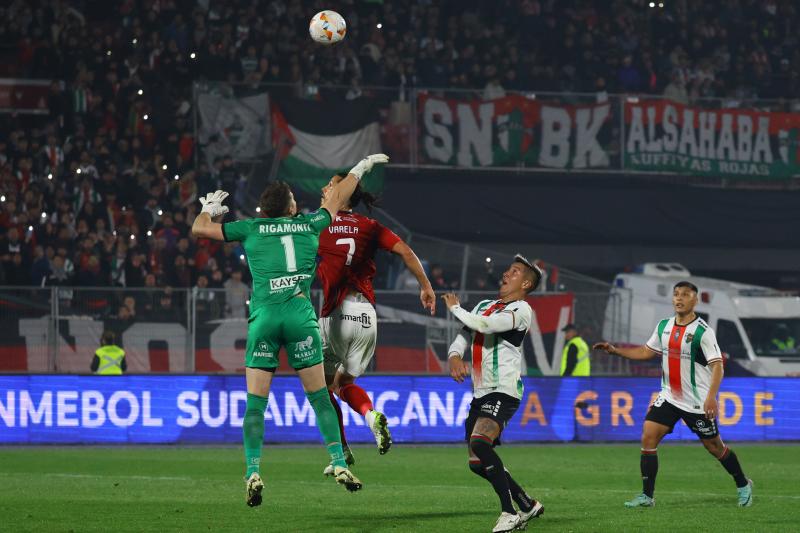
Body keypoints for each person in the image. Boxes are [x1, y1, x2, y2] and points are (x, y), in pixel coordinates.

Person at [191, 153, 389, 507]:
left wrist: (209, 208)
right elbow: (338, 197)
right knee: (319, 398)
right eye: (295, 200)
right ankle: (339, 461)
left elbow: (200, 229)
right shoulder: (310, 224)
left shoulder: (250, 227)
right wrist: (360, 168)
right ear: (289, 207)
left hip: (265, 318)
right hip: (300, 317)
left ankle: (253, 469)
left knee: (256, 405)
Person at [594, 281, 753, 508]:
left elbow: (717, 366)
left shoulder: (703, 332)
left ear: (695, 300)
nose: (679, 298)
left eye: (685, 295)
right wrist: (615, 350)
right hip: (669, 397)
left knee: (714, 447)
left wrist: (711, 397)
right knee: (648, 435)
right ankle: (647, 497)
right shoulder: (663, 326)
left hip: (696, 403)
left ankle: (743, 484)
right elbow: (645, 351)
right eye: (676, 294)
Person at [316, 173, 436, 473]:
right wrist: (425, 286)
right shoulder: (370, 226)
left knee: (320, 387)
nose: (324, 189)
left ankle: (340, 453)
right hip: (367, 316)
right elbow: (406, 252)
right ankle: (370, 417)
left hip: (336, 315)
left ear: (341, 193)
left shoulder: (319, 224)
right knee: (344, 383)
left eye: (330, 185)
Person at [445, 255, 545, 533]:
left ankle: (509, 513)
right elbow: (466, 334)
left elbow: (486, 326)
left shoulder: (522, 309)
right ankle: (527, 503)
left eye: (514, 272)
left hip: (504, 389)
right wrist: (454, 356)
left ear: (525, 283)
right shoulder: (484, 306)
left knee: (479, 442)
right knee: (476, 463)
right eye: (507, 269)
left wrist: (455, 308)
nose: (506, 274)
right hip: (480, 391)